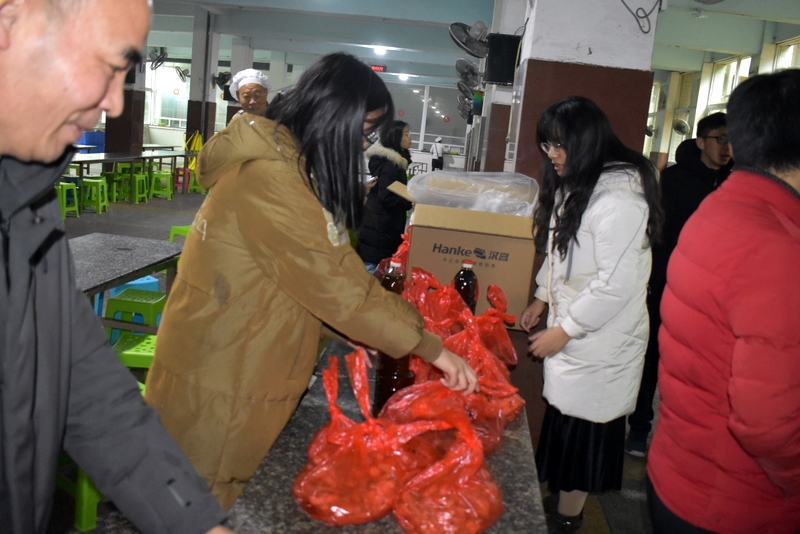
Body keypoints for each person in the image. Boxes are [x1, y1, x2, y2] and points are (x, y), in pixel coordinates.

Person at [144, 52, 479, 509]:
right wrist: (428, 346)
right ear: (332, 116)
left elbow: (303, 276)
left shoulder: (286, 163)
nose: (363, 144)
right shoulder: (274, 176)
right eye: (363, 130)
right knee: (208, 496)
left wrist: (361, 331)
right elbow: (334, 283)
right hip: (226, 368)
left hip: (235, 346)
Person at [0, 0, 232, 532]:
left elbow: (87, 386)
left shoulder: (27, 196)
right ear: (9, 22)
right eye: (108, 67)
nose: (115, 103)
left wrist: (196, 523)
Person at [647, 70, 800, 534]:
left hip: (684, 470)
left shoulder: (722, 208)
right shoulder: (777, 247)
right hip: (738, 502)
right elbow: (769, 422)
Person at [519, 96, 662, 533]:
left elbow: (616, 285)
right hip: (578, 333)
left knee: (586, 435)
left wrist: (565, 329)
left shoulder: (619, 200)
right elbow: (561, 251)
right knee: (567, 422)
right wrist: (542, 297)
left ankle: (568, 518)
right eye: (547, 145)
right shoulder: (580, 184)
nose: (552, 154)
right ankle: (562, 501)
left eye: (560, 144)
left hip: (602, 341)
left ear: (588, 141)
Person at [625, 112, 733, 456]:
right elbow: (657, 235)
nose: (727, 147)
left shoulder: (737, 183)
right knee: (654, 355)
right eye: (720, 139)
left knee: (701, 366)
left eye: (732, 140)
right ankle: (639, 427)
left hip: (716, 293)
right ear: (700, 141)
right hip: (670, 283)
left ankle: (688, 436)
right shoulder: (673, 180)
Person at [357, 120, 414, 273]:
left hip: (381, 223)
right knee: (371, 268)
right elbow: (387, 196)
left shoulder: (395, 162)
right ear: (395, 137)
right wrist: (408, 201)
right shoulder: (391, 164)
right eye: (406, 134)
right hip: (381, 226)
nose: (410, 138)